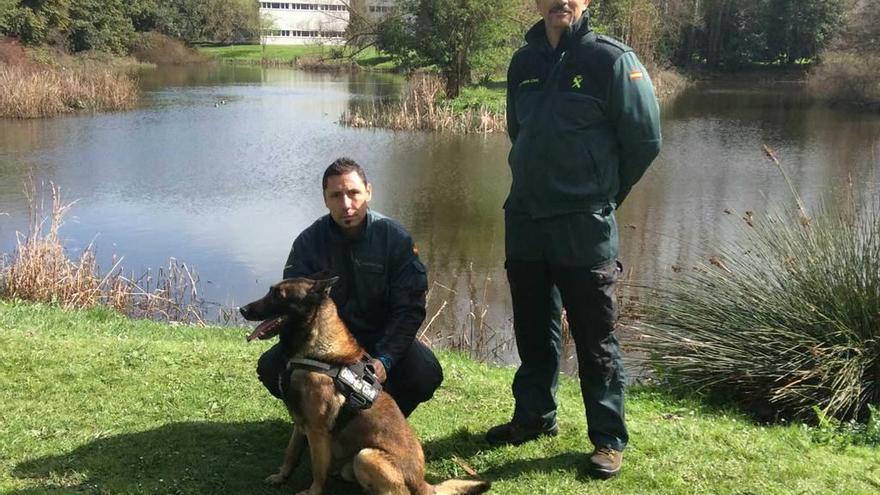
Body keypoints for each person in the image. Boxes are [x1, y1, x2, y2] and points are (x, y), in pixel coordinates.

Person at [485, 0, 661, 479]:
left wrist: (602, 195)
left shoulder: (612, 59)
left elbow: (644, 141)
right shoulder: (523, 61)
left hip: (583, 227)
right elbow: (517, 132)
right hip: (525, 219)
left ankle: (607, 438)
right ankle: (533, 417)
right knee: (532, 328)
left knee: (594, 337)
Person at [257, 157, 443, 417]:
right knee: (270, 367)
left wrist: (384, 359)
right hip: (328, 343)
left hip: (381, 338)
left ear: (369, 191)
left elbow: (409, 309)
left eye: (353, 193)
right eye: (336, 195)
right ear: (325, 199)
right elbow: (293, 308)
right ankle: (318, 419)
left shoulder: (396, 239)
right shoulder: (308, 243)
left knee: (426, 373)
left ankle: (383, 421)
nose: (346, 204)